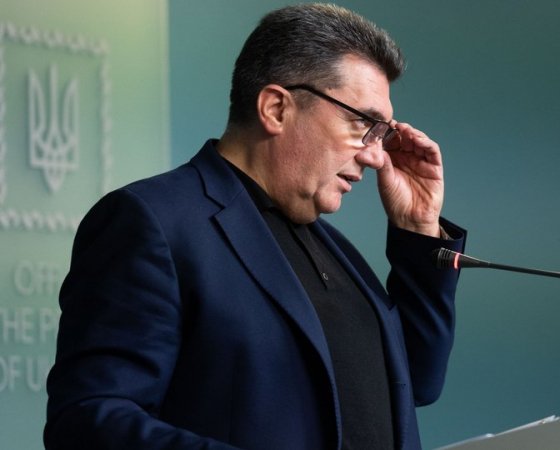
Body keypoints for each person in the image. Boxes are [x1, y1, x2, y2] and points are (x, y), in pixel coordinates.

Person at [44, 4, 466, 450]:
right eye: (362, 123)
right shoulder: (151, 222)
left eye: (381, 133)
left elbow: (416, 384)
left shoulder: (338, 251)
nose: (376, 155)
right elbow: (89, 421)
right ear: (276, 108)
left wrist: (418, 228)